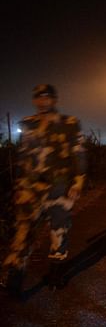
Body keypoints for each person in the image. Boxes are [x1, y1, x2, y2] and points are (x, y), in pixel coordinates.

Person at [0, 84, 86, 297]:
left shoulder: (69, 123)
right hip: (30, 189)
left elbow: (79, 154)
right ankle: (14, 280)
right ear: (34, 100)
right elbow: (22, 157)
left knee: (58, 232)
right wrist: (19, 186)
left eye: (46, 97)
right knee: (22, 232)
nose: (42, 101)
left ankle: (55, 275)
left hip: (59, 187)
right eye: (38, 97)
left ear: (54, 99)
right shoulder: (27, 124)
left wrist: (78, 182)